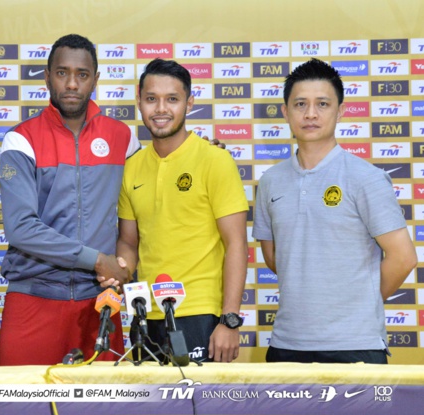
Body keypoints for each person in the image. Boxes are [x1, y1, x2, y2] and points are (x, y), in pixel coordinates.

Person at [253, 58, 417, 364]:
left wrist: (358, 305)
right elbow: (276, 258)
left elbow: (403, 257)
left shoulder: (366, 177)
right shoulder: (270, 182)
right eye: (300, 104)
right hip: (287, 344)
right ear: (286, 112)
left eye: (323, 104)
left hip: (356, 345)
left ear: (340, 111)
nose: (310, 114)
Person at [0, 34, 140, 366]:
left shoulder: (123, 138)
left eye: (82, 74)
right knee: (20, 400)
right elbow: (20, 228)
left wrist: (201, 153)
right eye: (62, 73)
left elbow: (143, 207)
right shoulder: (21, 139)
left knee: (105, 402)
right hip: (33, 299)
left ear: (95, 80)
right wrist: (97, 260)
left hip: (100, 304)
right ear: (47, 77)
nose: (72, 84)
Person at [115, 59, 249, 363]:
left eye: (172, 99)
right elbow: (128, 242)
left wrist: (229, 319)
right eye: (151, 99)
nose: (161, 109)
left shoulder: (215, 160)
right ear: (139, 102)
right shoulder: (131, 167)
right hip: (146, 316)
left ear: (189, 103)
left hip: (201, 314)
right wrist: (119, 272)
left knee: (200, 397)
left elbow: (237, 243)